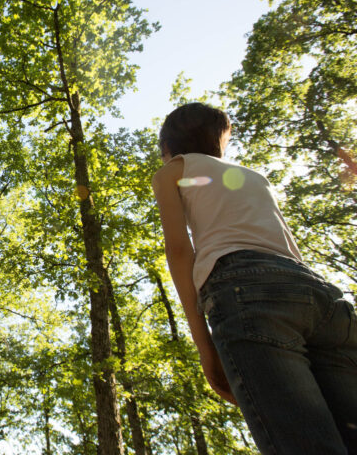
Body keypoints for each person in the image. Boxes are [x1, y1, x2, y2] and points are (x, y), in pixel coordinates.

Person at [152, 102, 357, 454]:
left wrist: (205, 346)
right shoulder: (255, 176)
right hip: (320, 296)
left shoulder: (173, 170)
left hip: (246, 294)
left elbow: (180, 252)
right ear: (219, 140)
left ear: (168, 148)